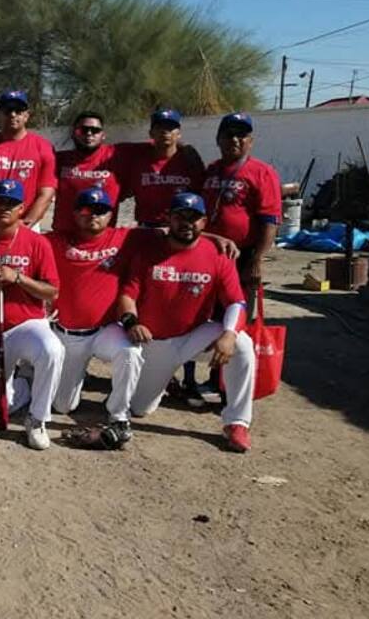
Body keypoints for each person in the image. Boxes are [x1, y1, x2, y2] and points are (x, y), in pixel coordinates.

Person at [116, 192, 257, 453]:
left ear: (204, 222)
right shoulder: (148, 252)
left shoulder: (218, 254)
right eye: (180, 216)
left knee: (243, 344)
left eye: (194, 218)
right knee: (139, 409)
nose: (187, 223)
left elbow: (236, 302)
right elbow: (127, 295)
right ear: (169, 218)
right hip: (155, 342)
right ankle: (161, 384)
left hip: (194, 336)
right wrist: (132, 323)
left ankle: (237, 422)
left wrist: (229, 334)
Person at [0, 179, 64, 450]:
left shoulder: (37, 242)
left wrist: (17, 277)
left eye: (12, 203)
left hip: (27, 324)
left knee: (53, 349)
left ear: (21, 208)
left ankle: (38, 419)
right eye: (0, 202)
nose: (5, 208)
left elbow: (52, 291)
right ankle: (24, 385)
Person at [190, 111, 282, 403]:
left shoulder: (262, 172)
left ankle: (223, 386)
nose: (235, 140)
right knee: (199, 316)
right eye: (229, 134)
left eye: (242, 135)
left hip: (241, 257)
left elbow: (270, 220)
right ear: (218, 139)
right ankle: (192, 379)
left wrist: (256, 260)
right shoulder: (211, 171)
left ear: (250, 141)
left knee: (233, 319)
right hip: (206, 255)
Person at [45, 187, 144, 441]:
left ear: (111, 214)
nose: (93, 215)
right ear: (75, 213)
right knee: (63, 407)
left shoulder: (125, 238)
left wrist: (217, 238)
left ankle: (118, 414)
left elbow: (174, 232)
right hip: (67, 334)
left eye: (101, 210)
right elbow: (18, 239)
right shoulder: (56, 240)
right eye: (86, 209)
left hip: (104, 330)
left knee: (130, 352)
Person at [0, 90, 57, 234]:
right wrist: (0, 220)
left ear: (26, 115)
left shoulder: (44, 148)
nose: (13, 114)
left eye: (18, 110)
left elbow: (46, 194)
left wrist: (26, 224)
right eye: (7, 110)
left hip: (28, 225)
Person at [118, 108, 204, 228]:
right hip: (147, 227)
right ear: (151, 133)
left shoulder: (190, 160)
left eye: (170, 127)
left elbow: (202, 193)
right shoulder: (139, 161)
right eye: (160, 127)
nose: (165, 131)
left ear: (179, 134)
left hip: (181, 228)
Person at [52, 111, 127, 235]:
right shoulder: (58, 159)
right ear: (73, 133)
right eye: (83, 129)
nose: (89, 133)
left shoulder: (117, 156)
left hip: (102, 239)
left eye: (95, 130)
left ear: (103, 135)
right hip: (64, 235)